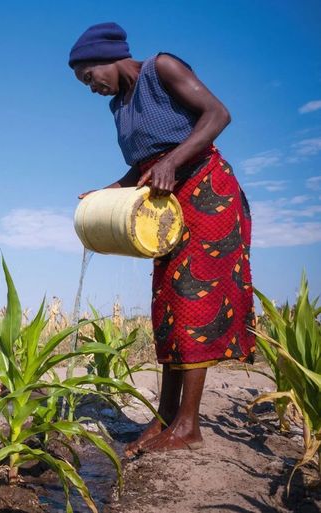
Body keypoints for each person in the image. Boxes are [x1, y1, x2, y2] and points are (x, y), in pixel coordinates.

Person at [68, 22, 256, 456]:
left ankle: (188, 426)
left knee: (194, 299)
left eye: (88, 76)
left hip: (208, 194)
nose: (90, 87)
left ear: (107, 57)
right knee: (169, 304)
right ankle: (166, 416)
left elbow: (218, 115)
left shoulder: (162, 68)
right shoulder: (119, 105)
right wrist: (113, 190)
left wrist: (172, 160)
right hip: (164, 204)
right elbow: (144, 166)